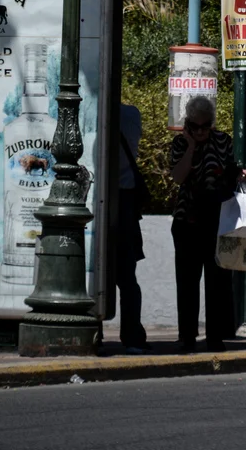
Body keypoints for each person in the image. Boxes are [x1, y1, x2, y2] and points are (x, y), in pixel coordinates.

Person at [168, 96, 246, 353]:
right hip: (187, 220)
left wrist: (238, 174)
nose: (201, 131)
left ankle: (215, 335)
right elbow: (178, 177)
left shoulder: (223, 141)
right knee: (187, 282)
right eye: (196, 126)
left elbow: (229, 170)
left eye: (206, 126)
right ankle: (187, 336)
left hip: (218, 219)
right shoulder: (180, 144)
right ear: (188, 125)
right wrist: (191, 146)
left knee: (218, 282)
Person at [116, 102, 149, 354]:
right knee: (128, 276)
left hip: (106, 197)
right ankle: (132, 334)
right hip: (126, 201)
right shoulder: (132, 113)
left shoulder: (95, 111)